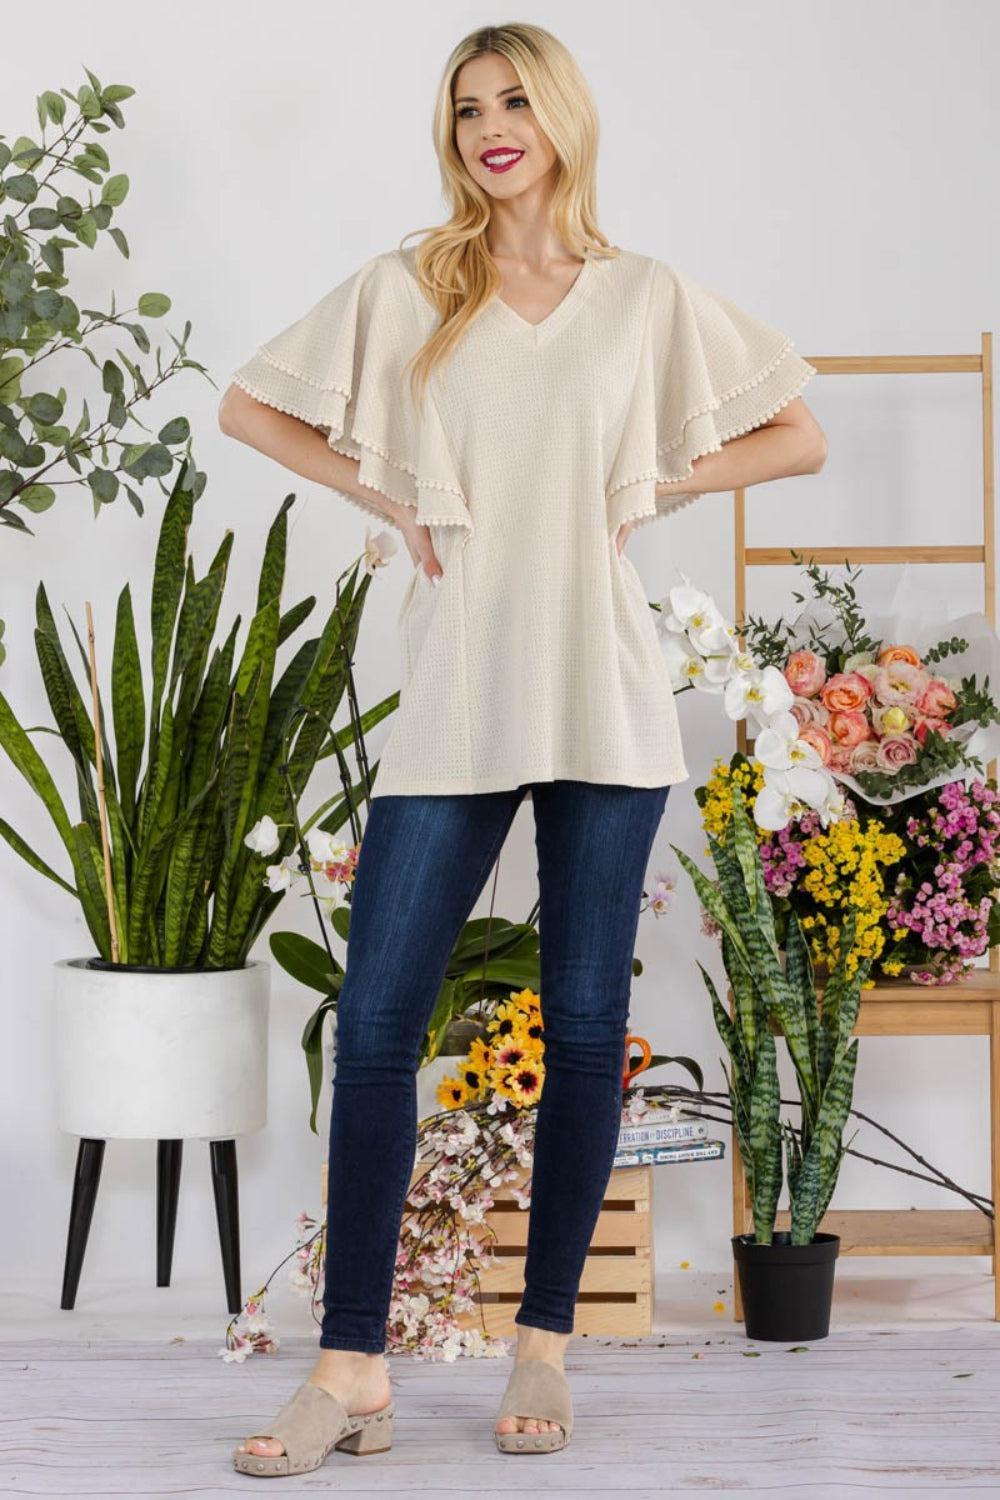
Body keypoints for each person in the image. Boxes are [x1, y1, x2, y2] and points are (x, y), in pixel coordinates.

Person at [219, 20, 827, 1479]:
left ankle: (542, 1342)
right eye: (466, 105)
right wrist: (393, 496)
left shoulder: (643, 299)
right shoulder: (410, 286)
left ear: (561, 116)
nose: (491, 125)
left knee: (574, 1032)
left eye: (513, 99)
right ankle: (349, 1363)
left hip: (608, 703)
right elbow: (249, 407)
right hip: (458, 692)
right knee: (376, 1031)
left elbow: (795, 433)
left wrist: (656, 481)